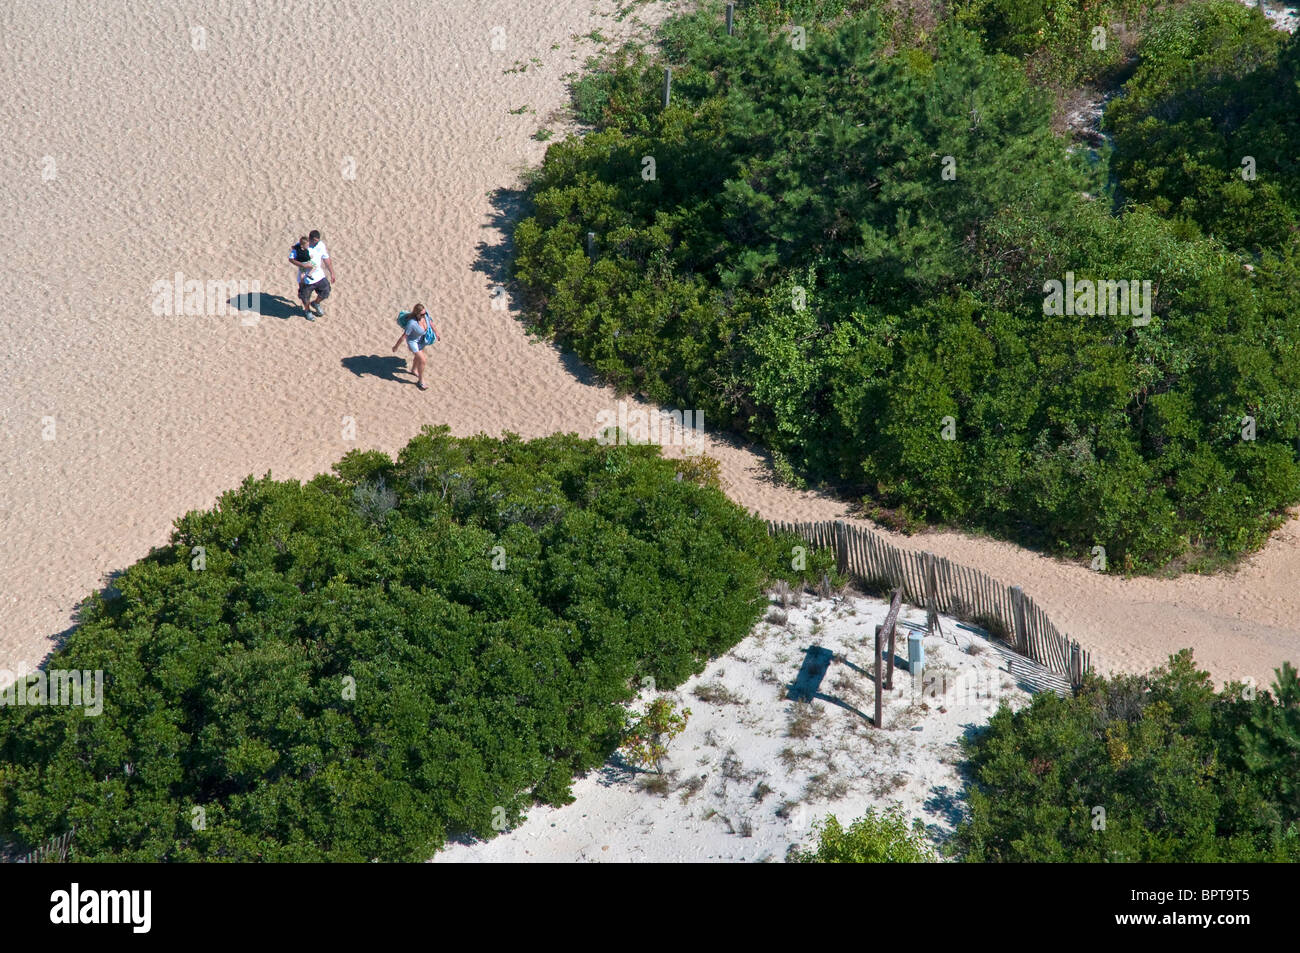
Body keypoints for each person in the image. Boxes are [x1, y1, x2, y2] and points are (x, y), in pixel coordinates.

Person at [392, 303, 438, 390]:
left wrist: (436, 333)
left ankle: (413, 370)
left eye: (425, 313)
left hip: (421, 340)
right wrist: (396, 347)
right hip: (413, 342)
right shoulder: (412, 323)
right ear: (417, 314)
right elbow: (404, 336)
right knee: (423, 360)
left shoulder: (425, 316)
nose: (425, 315)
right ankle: (420, 381)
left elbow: (430, 322)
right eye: (422, 314)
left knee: (418, 358)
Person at [293, 229, 335, 320]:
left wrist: (332, 273)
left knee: (326, 291)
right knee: (305, 297)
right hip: (306, 278)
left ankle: (316, 303)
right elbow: (291, 259)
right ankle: (307, 311)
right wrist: (302, 265)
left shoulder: (321, 245)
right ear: (310, 239)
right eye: (315, 240)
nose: (317, 242)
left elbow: (326, 259)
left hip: (319, 276)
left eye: (318, 240)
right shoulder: (301, 246)